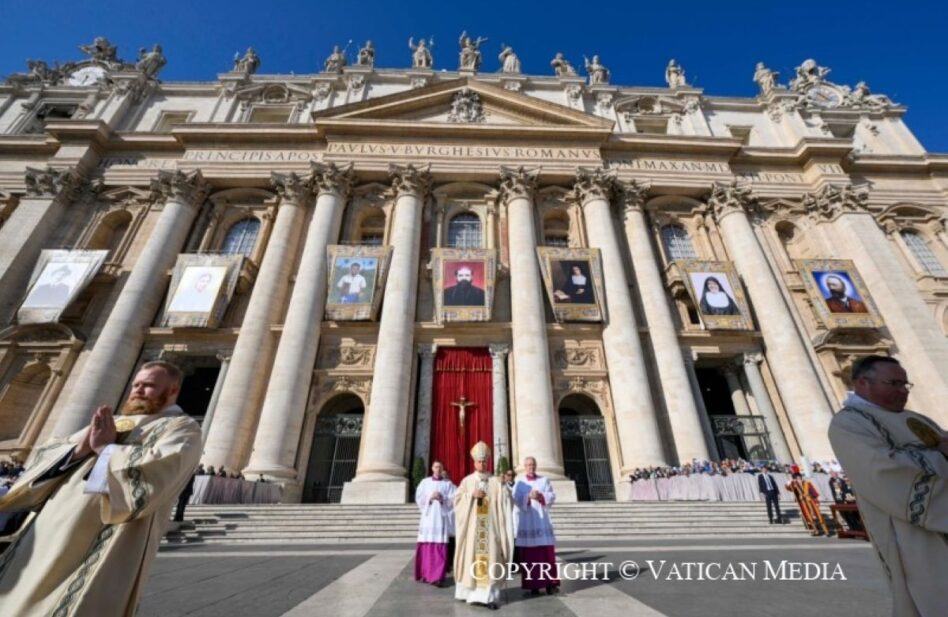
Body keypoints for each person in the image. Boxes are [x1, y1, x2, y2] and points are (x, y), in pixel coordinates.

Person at [0, 361, 201, 617]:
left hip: (105, 530)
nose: (138, 390)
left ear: (173, 390)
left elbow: (162, 470)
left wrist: (105, 450)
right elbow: (46, 456)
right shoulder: (111, 421)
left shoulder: (182, 428)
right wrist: (80, 450)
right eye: (136, 384)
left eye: (149, 385)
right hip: (51, 524)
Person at [828, 355, 948, 617]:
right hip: (910, 531)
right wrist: (941, 455)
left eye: (906, 385)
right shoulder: (849, 423)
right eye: (894, 383)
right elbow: (883, 473)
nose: (902, 391)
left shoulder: (918, 418)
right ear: (863, 383)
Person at [454, 441, 514, 610]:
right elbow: (457, 501)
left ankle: (489, 596)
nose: (482, 464)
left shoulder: (494, 481)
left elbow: (506, 499)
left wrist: (503, 488)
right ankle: (472, 595)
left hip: (491, 529)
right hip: (474, 530)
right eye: (479, 461)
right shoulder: (467, 481)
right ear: (474, 462)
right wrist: (470, 496)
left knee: (493, 559)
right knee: (472, 558)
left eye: (484, 461)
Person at [512, 457, 559, 595]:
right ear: (524, 467)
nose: (530, 467)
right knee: (530, 556)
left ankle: (551, 584)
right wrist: (527, 496)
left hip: (542, 521)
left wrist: (540, 496)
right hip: (527, 522)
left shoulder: (544, 480)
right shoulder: (519, 483)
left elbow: (552, 495)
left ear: (536, 466)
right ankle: (534, 585)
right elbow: (515, 499)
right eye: (528, 465)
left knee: (547, 554)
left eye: (532, 464)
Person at [414, 460, 456, 586]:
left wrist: (443, 498)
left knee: (440, 547)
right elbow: (419, 498)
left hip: (440, 518)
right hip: (428, 519)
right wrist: (430, 498)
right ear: (432, 468)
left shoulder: (447, 484)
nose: (438, 469)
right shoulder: (425, 482)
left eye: (440, 467)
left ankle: (438, 576)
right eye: (436, 467)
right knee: (427, 545)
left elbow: (453, 499)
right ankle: (425, 573)